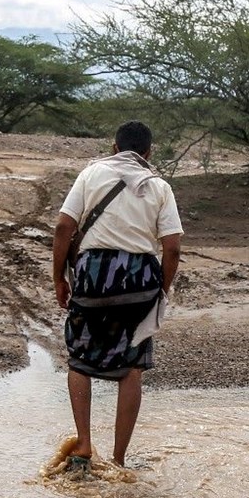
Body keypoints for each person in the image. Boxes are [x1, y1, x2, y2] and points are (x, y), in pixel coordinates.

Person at [51, 120, 183, 471]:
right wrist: (160, 291)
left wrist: (59, 278)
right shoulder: (159, 187)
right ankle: (119, 459)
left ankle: (83, 445)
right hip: (140, 279)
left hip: (93, 275)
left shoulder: (90, 175)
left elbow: (64, 227)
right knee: (132, 367)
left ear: (114, 148)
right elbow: (172, 248)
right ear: (148, 153)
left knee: (79, 359)